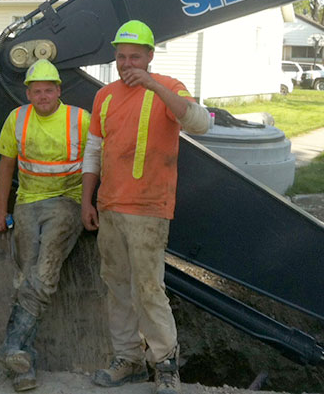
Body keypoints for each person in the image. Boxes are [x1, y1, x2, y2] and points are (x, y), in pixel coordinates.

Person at [81, 20, 211, 394]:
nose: (126, 64)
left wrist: (153, 85)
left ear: (150, 56)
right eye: (121, 56)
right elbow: (94, 151)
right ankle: (128, 358)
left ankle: (166, 363)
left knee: (149, 288)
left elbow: (201, 123)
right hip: (110, 207)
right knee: (117, 286)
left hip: (149, 209)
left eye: (134, 56)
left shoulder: (168, 88)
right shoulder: (104, 96)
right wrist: (87, 200)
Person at [0, 59, 90, 392]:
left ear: (59, 90)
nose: (43, 96)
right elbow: (6, 167)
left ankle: (11, 348)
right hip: (28, 203)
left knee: (45, 271)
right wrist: (1, 210)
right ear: (28, 93)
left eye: (49, 90)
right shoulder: (17, 119)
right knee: (27, 275)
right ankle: (22, 359)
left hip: (68, 201)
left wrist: (89, 204)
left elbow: (96, 165)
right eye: (37, 91)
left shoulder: (79, 119)